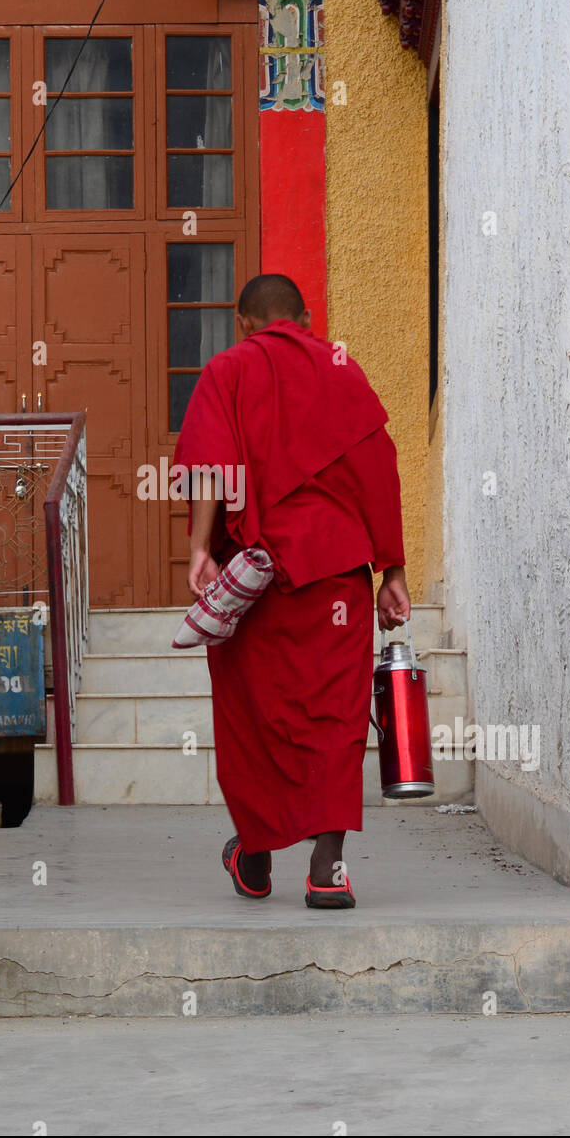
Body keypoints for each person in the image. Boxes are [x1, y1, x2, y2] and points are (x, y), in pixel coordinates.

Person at [173, 274, 409, 909]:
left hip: (257, 579)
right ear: (304, 318)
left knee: (253, 714)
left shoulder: (226, 370)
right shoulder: (342, 369)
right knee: (334, 717)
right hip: (335, 575)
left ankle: (254, 854)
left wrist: (199, 548)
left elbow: (211, 468)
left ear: (242, 321)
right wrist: (393, 571)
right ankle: (327, 868)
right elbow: (379, 470)